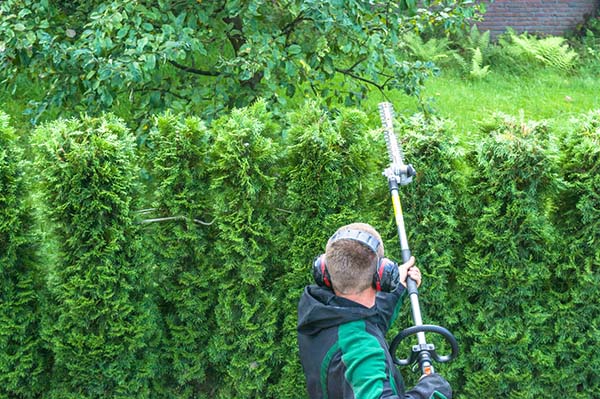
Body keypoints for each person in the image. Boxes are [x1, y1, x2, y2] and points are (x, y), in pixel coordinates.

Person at [297, 222, 452, 399]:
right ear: (383, 276)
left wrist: (398, 288)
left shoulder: (320, 312)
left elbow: (364, 320)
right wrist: (432, 389)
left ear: (323, 270)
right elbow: (359, 338)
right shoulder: (363, 352)